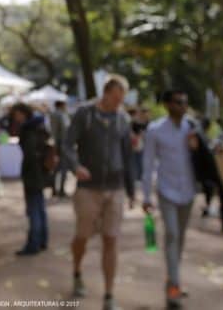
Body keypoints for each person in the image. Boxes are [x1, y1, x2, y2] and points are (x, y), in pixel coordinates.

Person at [62, 75, 135, 310]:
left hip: (115, 188)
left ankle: (109, 295)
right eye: (115, 98)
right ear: (105, 94)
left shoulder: (123, 119)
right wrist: (75, 166)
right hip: (88, 188)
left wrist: (132, 190)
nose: (118, 103)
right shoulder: (85, 114)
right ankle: (77, 272)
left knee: (111, 238)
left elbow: (127, 156)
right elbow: (66, 145)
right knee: (82, 236)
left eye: (121, 99)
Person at [142, 90, 196, 309]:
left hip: (189, 191)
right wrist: (146, 196)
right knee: (172, 234)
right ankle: (174, 286)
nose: (182, 105)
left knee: (180, 238)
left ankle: (173, 277)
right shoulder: (155, 130)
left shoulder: (191, 128)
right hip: (166, 191)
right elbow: (147, 165)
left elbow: (202, 160)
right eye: (177, 102)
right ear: (167, 105)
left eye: (185, 101)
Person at [11, 103, 52, 256]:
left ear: (23, 113)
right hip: (40, 173)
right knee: (40, 208)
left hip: (33, 175)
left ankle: (34, 243)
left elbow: (29, 155)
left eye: (17, 115)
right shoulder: (40, 126)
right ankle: (42, 240)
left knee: (34, 209)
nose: (15, 118)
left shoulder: (28, 130)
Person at [50, 100, 71, 197]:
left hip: (57, 144)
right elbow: (64, 130)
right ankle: (61, 190)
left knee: (56, 168)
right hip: (62, 144)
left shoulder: (53, 114)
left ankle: (54, 189)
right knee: (63, 168)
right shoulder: (61, 115)